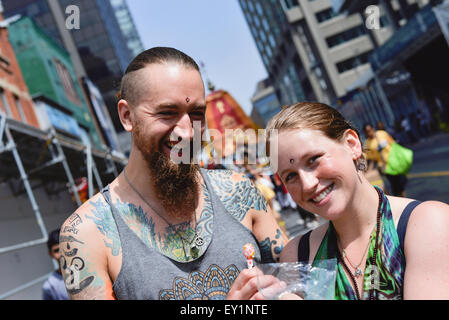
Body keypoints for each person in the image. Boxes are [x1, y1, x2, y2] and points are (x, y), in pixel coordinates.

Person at [59, 47, 288, 300]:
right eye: (167, 113)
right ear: (127, 116)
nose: (188, 132)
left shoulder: (239, 191)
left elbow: (299, 283)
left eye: (197, 114)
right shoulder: (86, 233)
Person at [266, 102, 449, 300]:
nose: (308, 184)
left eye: (313, 159)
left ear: (352, 145)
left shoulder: (427, 223)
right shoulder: (297, 255)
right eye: (291, 176)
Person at [363, 123, 407, 197]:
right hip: (385, 166)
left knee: (401, 182)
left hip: (394, 161)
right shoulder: (368, 143)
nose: (369, 133)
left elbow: (392, 142)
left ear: (373, 129)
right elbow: (370, 158)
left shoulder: (381, 133)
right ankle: (400, 199)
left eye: (369, 130)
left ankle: (403, 197)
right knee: (394, 184)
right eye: (367, 131)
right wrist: (368, 169)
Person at [42, 229, 69, 300]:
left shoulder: (90, 269)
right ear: (51, 254)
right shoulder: (50, 286)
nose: (62, 254)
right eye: (57, 250)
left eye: (64, 247)